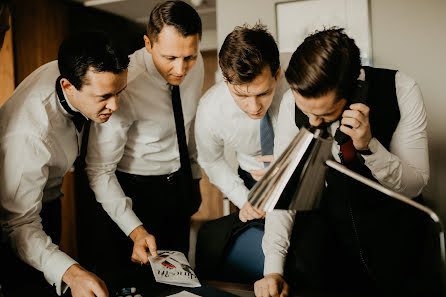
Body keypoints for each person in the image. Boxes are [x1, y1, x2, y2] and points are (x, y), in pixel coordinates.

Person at [254, 28, 429, 297]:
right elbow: (285, 189)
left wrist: (369, 147)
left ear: (355, 93)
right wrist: (272, 269)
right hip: (330, 250)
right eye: (306, 110)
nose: (311, 122)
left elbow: (414, 187)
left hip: (398, 243)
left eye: (323, 113)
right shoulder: (291, 104)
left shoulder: (402, 89)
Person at [0, 31, 129, 297]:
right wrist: (71, 272)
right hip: (23, 224)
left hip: (51, 198)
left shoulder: (76, 68)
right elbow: (18, 225)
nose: (115, 105)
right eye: (104, 96)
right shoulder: (29, 136)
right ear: (69, 87)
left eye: (119, 92)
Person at [85, 0, 203, 271]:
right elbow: (99, 170)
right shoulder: (126, 84)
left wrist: (194, 179)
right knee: (135, 284)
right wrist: (134, 229)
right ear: (148, 45)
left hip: (178, 188)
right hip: (135, 196)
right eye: (170, 58)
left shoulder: (195, 68)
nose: (181, 69)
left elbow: (188, 126)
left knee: (178, 281)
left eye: (189, 57)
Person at [194, 24, 289, 283]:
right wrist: (243, 198)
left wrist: (290, 165)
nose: (254, 106)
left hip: (299, 177)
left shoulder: (297, 90)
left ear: (277, 74)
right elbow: (210, 160)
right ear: (226, 80)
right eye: (242, 96)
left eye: (264, 93)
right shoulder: (211, 110)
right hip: (251, 182)